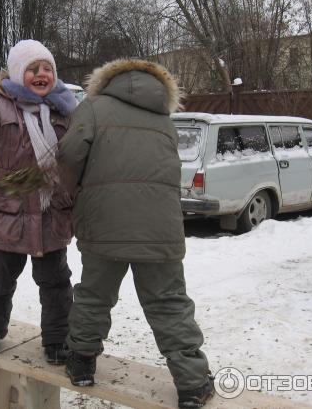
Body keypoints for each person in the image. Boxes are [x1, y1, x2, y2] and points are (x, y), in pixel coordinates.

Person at [57, 59, 214, 408]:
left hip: (103, 222)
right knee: (169, 303)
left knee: (94, 296)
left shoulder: (93, 108)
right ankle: (192, 383)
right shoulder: (163, 119)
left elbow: (68, 154)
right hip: (160, 227)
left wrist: (77, 193)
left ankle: (81, 363)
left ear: (106, 80)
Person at [0, 39, 78, 364]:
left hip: (53, 214)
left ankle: (57, 340)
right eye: (33, 69)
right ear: (19, 73)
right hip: (10, 214)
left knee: (56, 284)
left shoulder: (68, 109)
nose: (41, 74)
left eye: (47, 68)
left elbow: (87, 146)